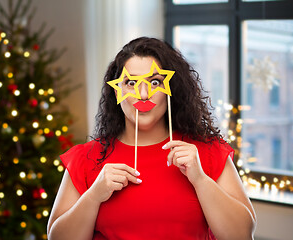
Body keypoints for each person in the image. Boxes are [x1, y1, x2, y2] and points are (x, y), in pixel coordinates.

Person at [47, 37, 256, 240]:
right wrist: (93, 196)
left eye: (154, 82)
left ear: (170, 90)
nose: (144, 94)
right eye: (131, 83)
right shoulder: (87, 158)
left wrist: (200, 180)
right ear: (117, 90)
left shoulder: (207, 152)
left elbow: (242, 235)